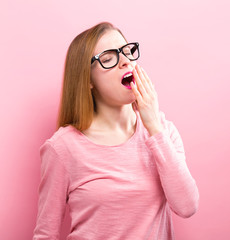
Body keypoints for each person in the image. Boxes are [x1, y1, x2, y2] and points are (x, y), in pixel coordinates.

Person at [33, 22, 199, 240]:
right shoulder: (62, 147)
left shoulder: (162, 131)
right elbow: (46, 234)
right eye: (109, 58)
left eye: (127, 51)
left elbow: (187, 206)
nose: (125, 61)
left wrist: (154, 129)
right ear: (88, 79)